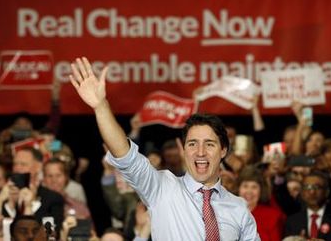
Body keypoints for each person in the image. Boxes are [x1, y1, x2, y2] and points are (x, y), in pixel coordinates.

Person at [70, 57, 260, 240]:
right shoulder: (161, 188)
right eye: (192, 144)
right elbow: (125, 155)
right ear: (183, 150)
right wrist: (101, 106)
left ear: (224, 151)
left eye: (209, 144)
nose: (200, 152)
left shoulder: (238, 208)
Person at [284, 171, 331, 241]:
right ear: (302, 192)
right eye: (307, 187)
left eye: (317, 187)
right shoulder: (292, 221)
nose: (312, 192)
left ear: (327, 192)